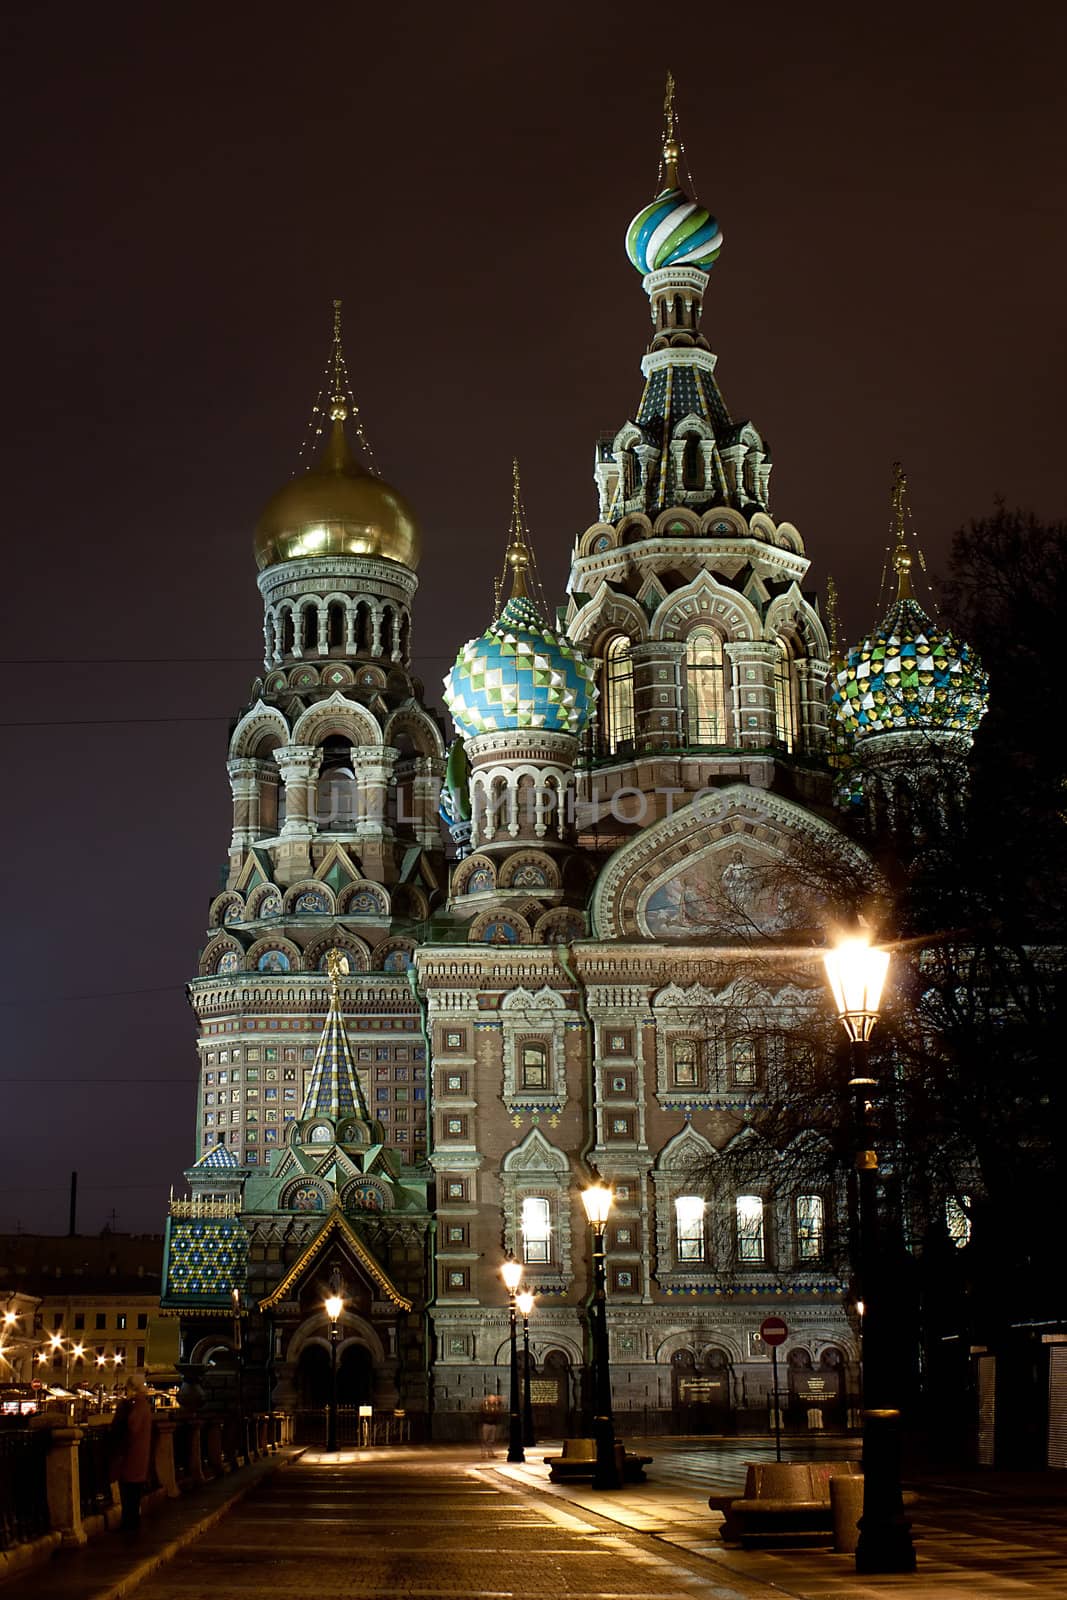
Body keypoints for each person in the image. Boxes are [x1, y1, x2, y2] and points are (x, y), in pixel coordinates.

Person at [110, 1374, 153, 1533]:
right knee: (134, 1495)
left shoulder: (135, 1406)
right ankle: (132, 1523)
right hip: (141, 1457)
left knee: (128, 1494)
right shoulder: (145, 1406)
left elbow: (131, 1429)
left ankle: (129, 1525)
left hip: (130, 1457)